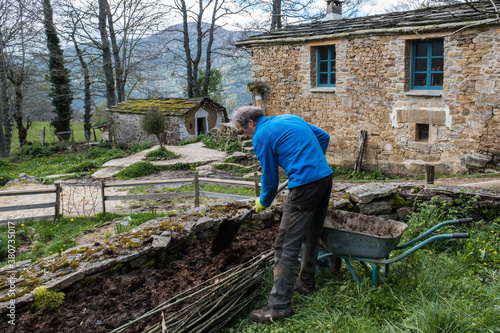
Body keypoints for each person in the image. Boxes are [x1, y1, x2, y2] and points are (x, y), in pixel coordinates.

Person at [232, 106, 333, 323]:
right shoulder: (290, 118)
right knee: (311, 235)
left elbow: (269, 178)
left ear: (251, 122)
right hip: (324, 178)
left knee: (285, 246)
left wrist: (263, 202)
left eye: (242, 130)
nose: (244, 136)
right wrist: (311, 162)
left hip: (305, 187)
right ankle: (306, 283)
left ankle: (278, 307)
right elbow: (323, 137)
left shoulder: (261, 136)